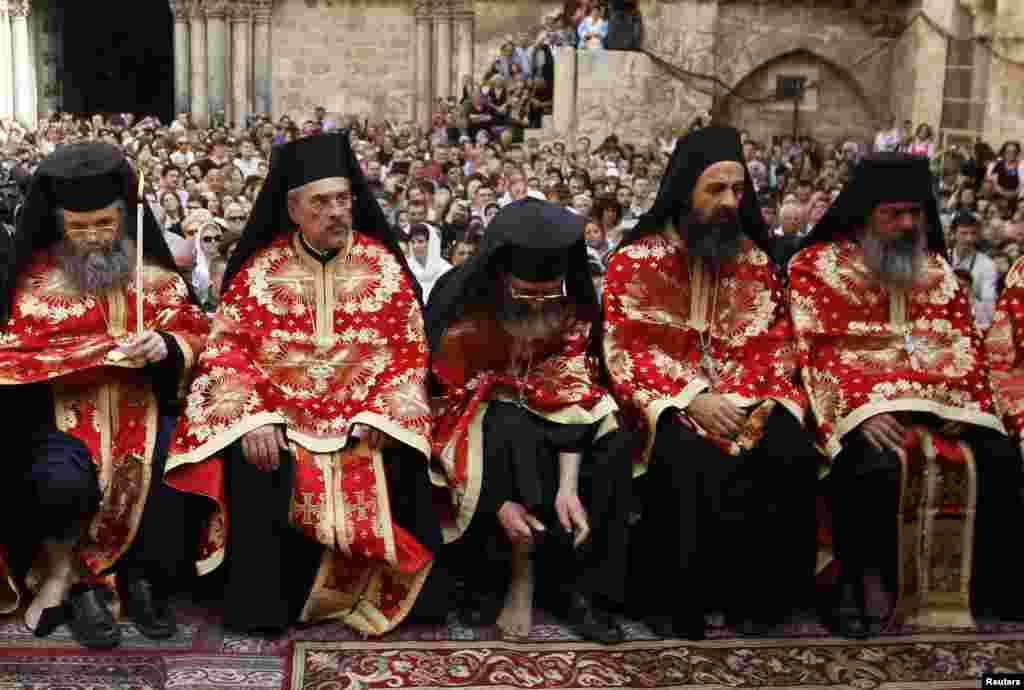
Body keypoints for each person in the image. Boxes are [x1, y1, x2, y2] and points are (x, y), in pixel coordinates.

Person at [165, 132, 449, 637]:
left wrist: (385, 414)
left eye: (344, 199)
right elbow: (225, 350)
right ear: (293, 207)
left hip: (364, 419)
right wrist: (253, 417)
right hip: (282, 422)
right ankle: (269, 604)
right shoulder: (258, 271)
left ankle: (393, 592)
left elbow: (410, 351)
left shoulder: (383, 268)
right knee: (256, 462)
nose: (338, 212)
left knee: (401, 456)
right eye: (322, 202)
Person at [788, 153, 1023, 639]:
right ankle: (859, 582)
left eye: (916, 212)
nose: (907, 223)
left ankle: (981, 591)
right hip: (865, 415)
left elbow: (964, 342)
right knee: (869, 462)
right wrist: (857, 413)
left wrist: (966, 406)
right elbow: (815, 351)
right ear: (864, 211)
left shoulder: (936, 269)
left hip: (942, 409)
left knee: (999, 455)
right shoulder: (817, 266)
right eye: (893, 212)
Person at [601, 126, 816, 639]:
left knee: (789, 448)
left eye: (738, 191)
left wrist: (751, 404)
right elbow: (624, 346)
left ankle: (758, 603)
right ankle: (678, 605)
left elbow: (774, 342)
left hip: (746, 396)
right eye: (715, 189)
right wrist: (692, 399)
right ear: (685, 191)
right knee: (683, 453)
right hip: (664, 404)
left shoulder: (757, 264)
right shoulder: (635, 261)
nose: (729, 202)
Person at [0, 143, 210, 648]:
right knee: (61, 476)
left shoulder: (156, 277)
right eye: (79, 227)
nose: (93, 240)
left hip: (149, 411)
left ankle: (143, 577)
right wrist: (89, 357)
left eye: (105, 225)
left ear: (125, 217)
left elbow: (199, 334)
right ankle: (69, 578)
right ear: (58, 222)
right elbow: (9, 354)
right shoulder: (31, 283)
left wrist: (166, 345)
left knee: (175, 464)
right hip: (55, 422)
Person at [427, 199, 634, 644]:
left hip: (559, 408)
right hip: (477, 414)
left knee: (613, 437)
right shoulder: (457, 302)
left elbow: (576, 386)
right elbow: (443, 399)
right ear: (500, 277)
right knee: (505, 423)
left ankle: (578, 590)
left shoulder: (574, 300)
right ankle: (511, 575)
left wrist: (567, 486)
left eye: (548, 294)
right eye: (524, 293)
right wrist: (496, 499)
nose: (539, 305)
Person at [949, 210, 998, 328]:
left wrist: (970, 296)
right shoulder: (942, 259)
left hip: (972, 321)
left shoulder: (987, 265)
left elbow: (990, 310)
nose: (969, 239)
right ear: (953, 234)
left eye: (973, 233)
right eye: (964, 233)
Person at [407, 222, 452, 301]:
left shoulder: (446, 270)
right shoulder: (406, 267)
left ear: (431, 242)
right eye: (413, 242)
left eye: (420, 241)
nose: (415, 246)